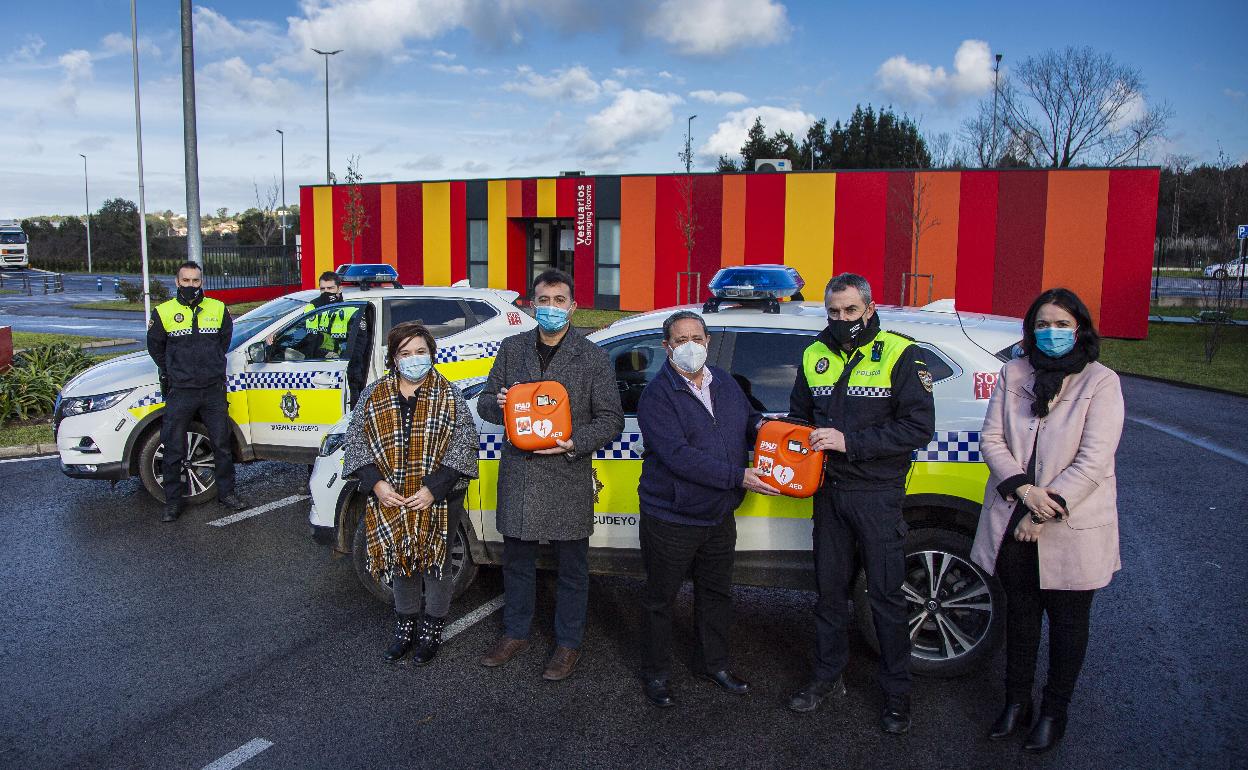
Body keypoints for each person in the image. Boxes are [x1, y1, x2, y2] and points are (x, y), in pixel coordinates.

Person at [970, 288, 1124, 754]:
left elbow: (1094, 461)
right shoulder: (1013, 372)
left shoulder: (1101, 381)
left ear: (1079, 328)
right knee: (1020, 620)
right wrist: (1024, 491)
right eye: (1042, 323)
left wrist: (1042, 509)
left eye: (1061, 324)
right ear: (1030, 329)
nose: (1051, 332)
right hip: (1015, 511)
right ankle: (1016, 702)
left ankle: (1055, 712)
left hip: (1068, 525)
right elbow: (992, 439)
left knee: (1067, 626)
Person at [786, 272, 935, 734]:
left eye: (851, 311)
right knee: (829, 595)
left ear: (869, 308)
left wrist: (851, 442)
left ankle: (897, 695)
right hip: (829, 494)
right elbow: (799, 416)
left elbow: (917, 428)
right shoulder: (814, 354)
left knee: (886, 598)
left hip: (877, 494)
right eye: (834, 312)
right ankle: (827, 678)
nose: (842, 319)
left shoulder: (900, 353)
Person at [476, 269, 624, 681]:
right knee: (517, 562)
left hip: (566, 471)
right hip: (521, 475)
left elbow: (611, 419)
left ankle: (568, 644)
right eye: (544, 300)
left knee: (572, 569)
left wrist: (575, 442)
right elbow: (487, 404)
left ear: (573, 307)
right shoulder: (511, 350)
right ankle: (516, 633)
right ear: (532, 304)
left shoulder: (592, 356)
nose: (552, 308)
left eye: (560, 301)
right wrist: (499, 402)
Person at [635, 310, 779, 708]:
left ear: (708, 341)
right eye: (680, 340)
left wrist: (775, 431)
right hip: (672, 516)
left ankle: (712, 664)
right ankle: (656, 674)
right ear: (667, 348)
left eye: (696, 338)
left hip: (717, 514)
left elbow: (750, 421)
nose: (690, 347)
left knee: (716, 594)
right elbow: (679, 457)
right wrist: (739, 477)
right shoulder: (657, 396)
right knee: (660, 598)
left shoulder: (726, 383)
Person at [341, 322, 479, 666]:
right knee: (400, 562)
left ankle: (431, 630)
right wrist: (377, 484)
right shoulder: (374, 394)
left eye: (420, 352)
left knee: (435, 564)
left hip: (438, 496)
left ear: (431, 354)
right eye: (405, 353)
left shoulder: (449, 394)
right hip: (390, 496)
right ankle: (404, 628)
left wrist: (434, 489)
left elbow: (464, 443)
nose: (414, 359)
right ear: (393, 358)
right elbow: (356, 440)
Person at [147, 261, 247, 522]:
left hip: (212, 389)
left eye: (196, 281)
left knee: (222, 445)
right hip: (181, 390)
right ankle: (172, 503)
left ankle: (227, 494)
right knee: (173, 447)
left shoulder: (217, 308)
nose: (191, 285)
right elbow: (156, 348)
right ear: (177, 282)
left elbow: (223, 341)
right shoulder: (163, 312)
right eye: (186, 281)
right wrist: (175, 370)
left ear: (202, 282)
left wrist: (209, 365)